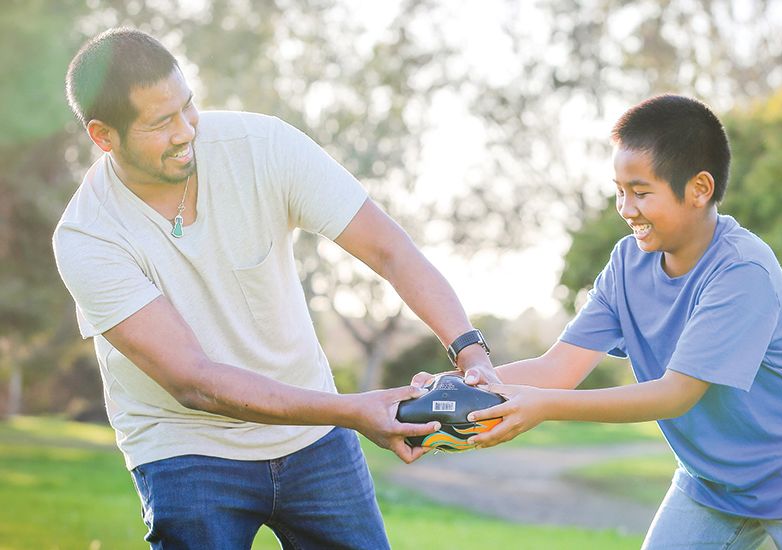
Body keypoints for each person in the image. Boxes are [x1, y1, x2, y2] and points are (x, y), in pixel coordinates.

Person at [54, 27, 496, 549]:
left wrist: (469, 348)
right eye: (160, 123)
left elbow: (390, 251)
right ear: (104, 136)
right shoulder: (88, 236)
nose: (185, 131)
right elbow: (193, 381)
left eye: (187, 107)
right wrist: (355, 410)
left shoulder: (262, 146)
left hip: (313, 437)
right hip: (185, 447)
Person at [461, 94, 782, 549]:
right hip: (711, 481)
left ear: (699, 189)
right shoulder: (626, 264)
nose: (625, 208)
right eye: (619, 190)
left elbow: (675, 394)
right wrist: (444, 387)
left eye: (640, 192)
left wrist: (544, 406)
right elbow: (557, 370)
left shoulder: (741, 270)